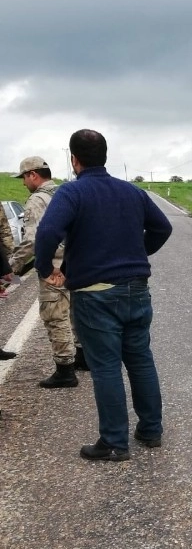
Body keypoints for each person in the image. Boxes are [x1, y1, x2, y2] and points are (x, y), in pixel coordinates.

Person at [34, 129, 173, 461]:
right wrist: (137, 252)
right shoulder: (132, 192)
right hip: (137, 289)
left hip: (95, 295)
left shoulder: (72, 193)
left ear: (74, 159)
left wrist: (46, 269)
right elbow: (163, 228)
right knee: (140, 359)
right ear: (105, 156)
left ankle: (114, 442)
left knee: (106, 367)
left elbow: (48, 231)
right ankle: (151, 430)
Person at [8, 157, 81, 387]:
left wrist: (12, 267)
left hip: (54, 268)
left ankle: (65, 370)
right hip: (77, 264)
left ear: (33, 175)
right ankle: (83, 357)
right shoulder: (66, 193)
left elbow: (32, 240)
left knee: (55, 316)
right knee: (76, 314)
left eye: (24, 178)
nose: (23, 184)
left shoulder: (37, 200)